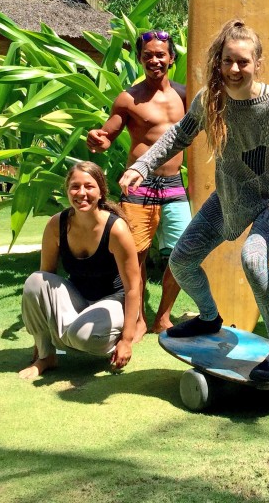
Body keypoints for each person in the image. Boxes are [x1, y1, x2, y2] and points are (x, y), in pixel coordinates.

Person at [119, 19, 269, 382]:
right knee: (181, 261)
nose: (234, 69)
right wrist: (142, 166)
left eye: (243, 61)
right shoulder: (210, 100)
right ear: (218, 62)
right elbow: (177, 137)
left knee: (254, 259)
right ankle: (209, 318)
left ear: (257, 62)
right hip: (231, 196)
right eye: (227, 61)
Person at [87, 29, 189, 337]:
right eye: (148, 56)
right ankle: (139, 317)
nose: (154, 60)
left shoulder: (186, 95)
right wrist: (97, 139)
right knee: (135, 255)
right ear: (140, 59)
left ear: (171, 58)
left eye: (161, 55)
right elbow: (107, 137)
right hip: (139, 186)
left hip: (174, 185)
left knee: (185, 252)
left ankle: (164, 316)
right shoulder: (128, 99)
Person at [19, 161, 141, 379]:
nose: (81, 193)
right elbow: (45, 279)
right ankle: (47, 356)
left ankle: (89, 339)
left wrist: (127, 340)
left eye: (89, 186)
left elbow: (133, 288)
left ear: (101, 191)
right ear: (67, 191)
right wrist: (40, 338)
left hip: (113, 301)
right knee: (34, 281)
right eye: (75, 187)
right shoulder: (56, 225)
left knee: (81, 336)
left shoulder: (116, 229)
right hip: (78, 300)